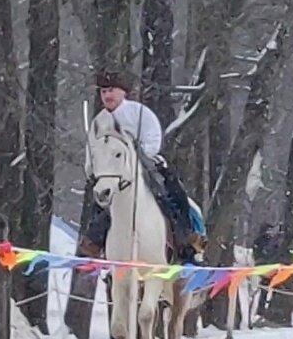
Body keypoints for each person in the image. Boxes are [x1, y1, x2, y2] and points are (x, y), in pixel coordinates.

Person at [83, 69, 205, 264]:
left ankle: (185, 237)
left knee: (174, 194)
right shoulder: (99, 121)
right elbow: (93, 150)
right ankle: (94, 242)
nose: (107, 95)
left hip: (148, 167)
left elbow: (153, 137)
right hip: (112, 176)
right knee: (100, 204)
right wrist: (92, 168)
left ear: (123, 92)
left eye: (111, 90)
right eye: (103, 91)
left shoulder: (139, 113)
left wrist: (138, 159)